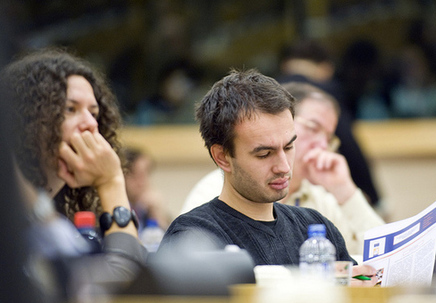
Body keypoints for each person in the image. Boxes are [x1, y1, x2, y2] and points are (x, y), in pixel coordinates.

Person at [158, 69, 377, 286]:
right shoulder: (193, 236)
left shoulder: (317, 226)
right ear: (222, 157)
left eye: (289, 147)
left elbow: (367, 273)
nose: (283, 167)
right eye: (264, 154)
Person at [1, 48, 147, 300]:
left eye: (94, 113)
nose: (90, 123)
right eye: (70, 109)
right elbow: (122, 282)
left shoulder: (59, 215)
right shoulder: (15, 207)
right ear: (26, 119)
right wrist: (111, 182)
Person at [181, 82, 385, 255]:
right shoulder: (212, 193)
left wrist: (345, 190)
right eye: (313, 128)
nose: (322, 145)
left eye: (329, 138)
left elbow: (382, 257)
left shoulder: (319, 202)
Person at [277, 39, 381, 208]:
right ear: (327, 68)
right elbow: (350, 146)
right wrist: (377, 200)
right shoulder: (325, 93)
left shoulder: (266, 88)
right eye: (312, 128)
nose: (322, 144)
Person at [123, 147, 172, 230]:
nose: (141, 182)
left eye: (146, 173)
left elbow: (173, 241)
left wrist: (157, 214)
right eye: (134, 174)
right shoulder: (116, 209)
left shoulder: (148, 208)